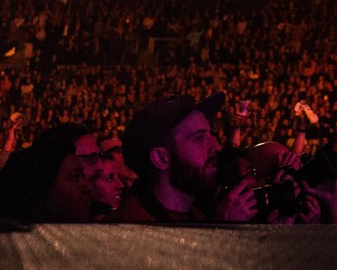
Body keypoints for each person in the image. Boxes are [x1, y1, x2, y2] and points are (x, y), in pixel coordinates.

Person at [108, 93, 257, 223]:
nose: (217, 146)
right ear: (161, 158)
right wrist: (223, 233)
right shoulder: (130, 229)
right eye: (199, 138)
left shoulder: (195, 217)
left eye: (210, 134)